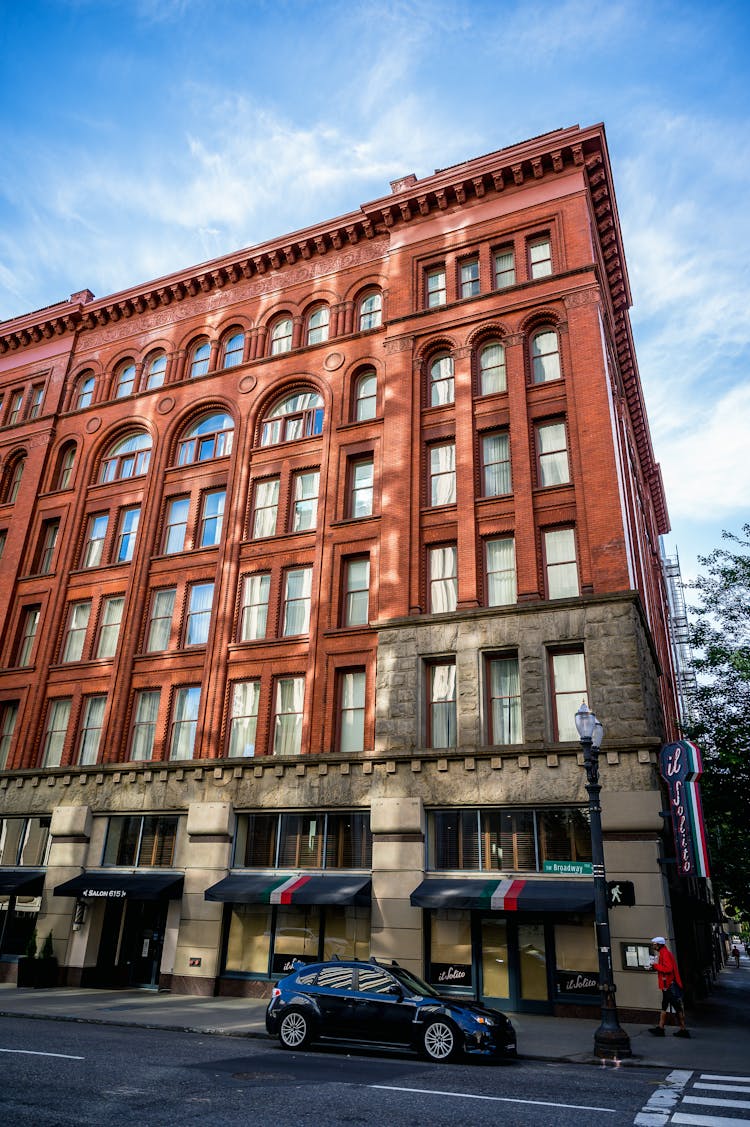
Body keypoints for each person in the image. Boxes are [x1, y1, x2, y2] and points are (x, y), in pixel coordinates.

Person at [648, 936, 690, 1038]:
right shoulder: (664, 953)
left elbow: (668, 969)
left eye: (654, 944)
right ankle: (661, 1027)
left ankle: (683, 1029)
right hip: (667, 984)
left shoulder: (665, 954)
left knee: (676, 1006)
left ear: (659, 945)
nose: (653, 946)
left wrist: (655, 966)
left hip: (669, 984)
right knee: (665, 1005)